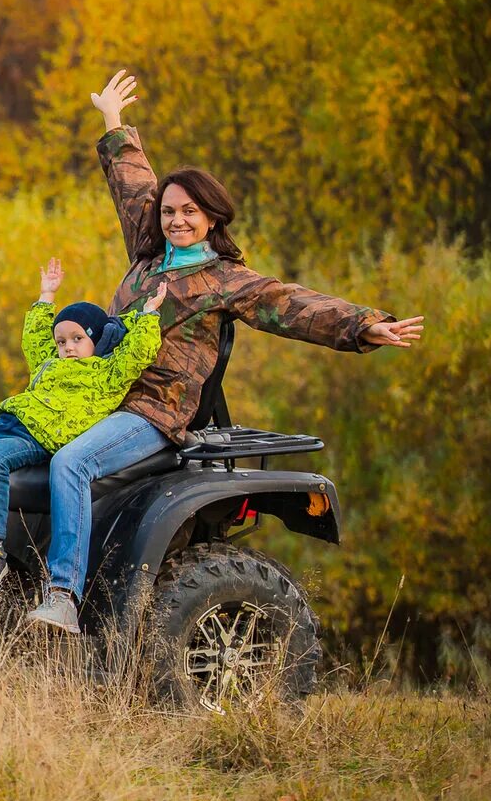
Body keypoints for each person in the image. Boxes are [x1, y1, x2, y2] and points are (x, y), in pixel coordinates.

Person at [29, 69, 426, 635]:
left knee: (72, 462)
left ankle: (63, 595)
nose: (177, 219)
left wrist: (365, 325)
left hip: (155, 414)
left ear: (212, 218)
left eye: (190, 211)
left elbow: (295, 306)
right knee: (11, 444)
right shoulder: (147, 258)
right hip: (102, 399)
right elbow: (134, 185)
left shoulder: (225, 280)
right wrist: (114, 123)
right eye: (170, 212)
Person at [0, 259, 166, 617]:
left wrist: (149, 315)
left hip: (40, 436)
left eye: (78, 339)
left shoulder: (107, 372)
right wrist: (46, 295)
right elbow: (34, 341)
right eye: (62, 340)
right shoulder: (49, 362)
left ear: (98, 340)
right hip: (11, 420)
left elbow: (136, 353)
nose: (68, 346)